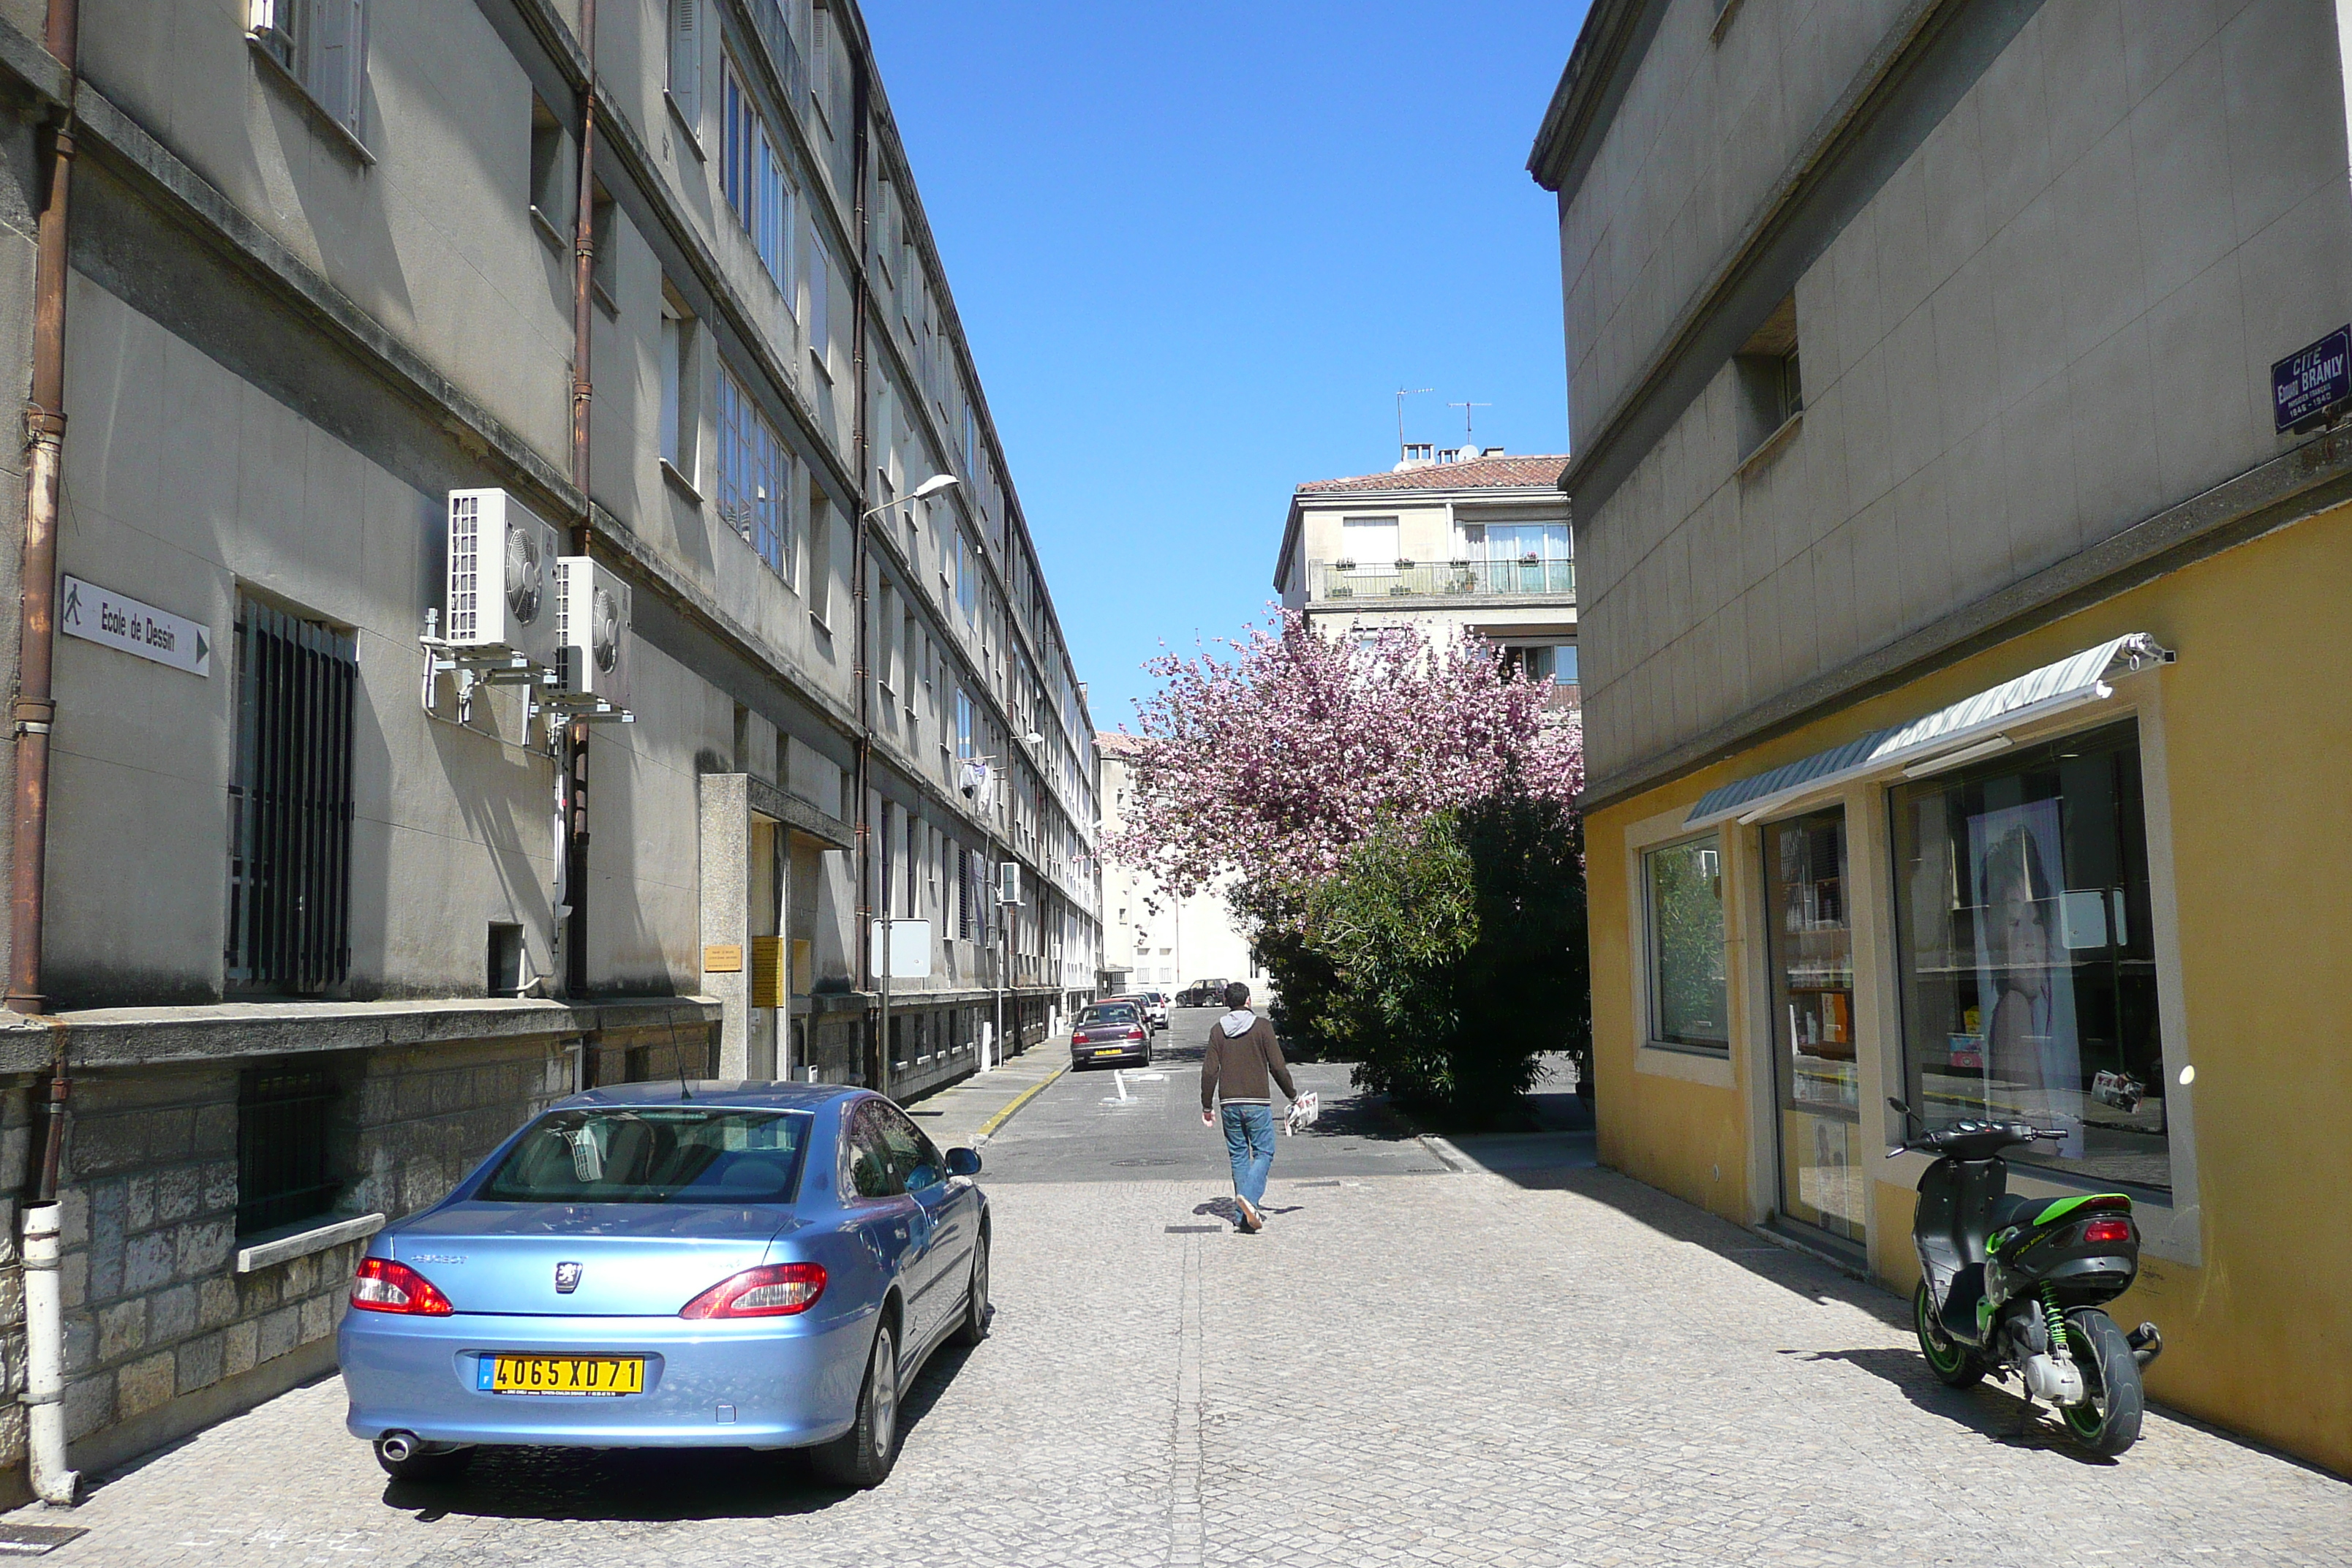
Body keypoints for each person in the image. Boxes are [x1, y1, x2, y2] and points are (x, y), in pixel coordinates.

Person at [1199, 981, 1296, 1234]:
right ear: (1249, 1001)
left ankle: (1242, 1218)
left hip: (1229, 1103)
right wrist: (1292, 1096)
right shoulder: (1263, 1027)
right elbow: (1278, 1067)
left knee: (1239, 1156)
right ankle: (1249, 1200)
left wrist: (1206, 1105)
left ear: (1226, 1002)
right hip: (1257, 1101)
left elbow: (1210, 1070)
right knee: (1265, 1152)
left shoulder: (1218, 1030)